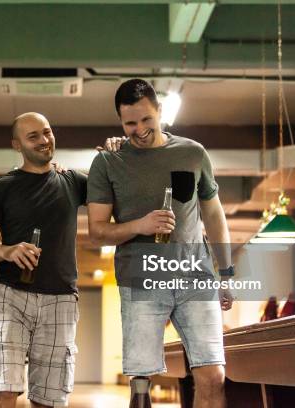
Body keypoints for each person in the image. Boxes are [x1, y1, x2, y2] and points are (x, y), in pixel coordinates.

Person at [87, 79, 234, 408]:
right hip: (140, 281)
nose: (138, 130)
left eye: (146, 120)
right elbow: (97, 232)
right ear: (120, 121)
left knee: (214, 377)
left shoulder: (193, 153)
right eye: (129, 123)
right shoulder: (108, 162)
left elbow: (213, 214)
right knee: (141, 389)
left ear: (160, 112)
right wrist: (141, 225)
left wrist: (226, 270)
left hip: (195, 277)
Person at [0, 112, 86, 408]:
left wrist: (115, 153)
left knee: (49, 399)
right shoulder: (2, 188)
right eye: (33, 136)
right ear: (17, 145)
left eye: (47, 132)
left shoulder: (72, 181)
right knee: (4, 391)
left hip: (61, 298)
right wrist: (6, 251)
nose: (44, 140)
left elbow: (114, 187)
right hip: (11, 296)